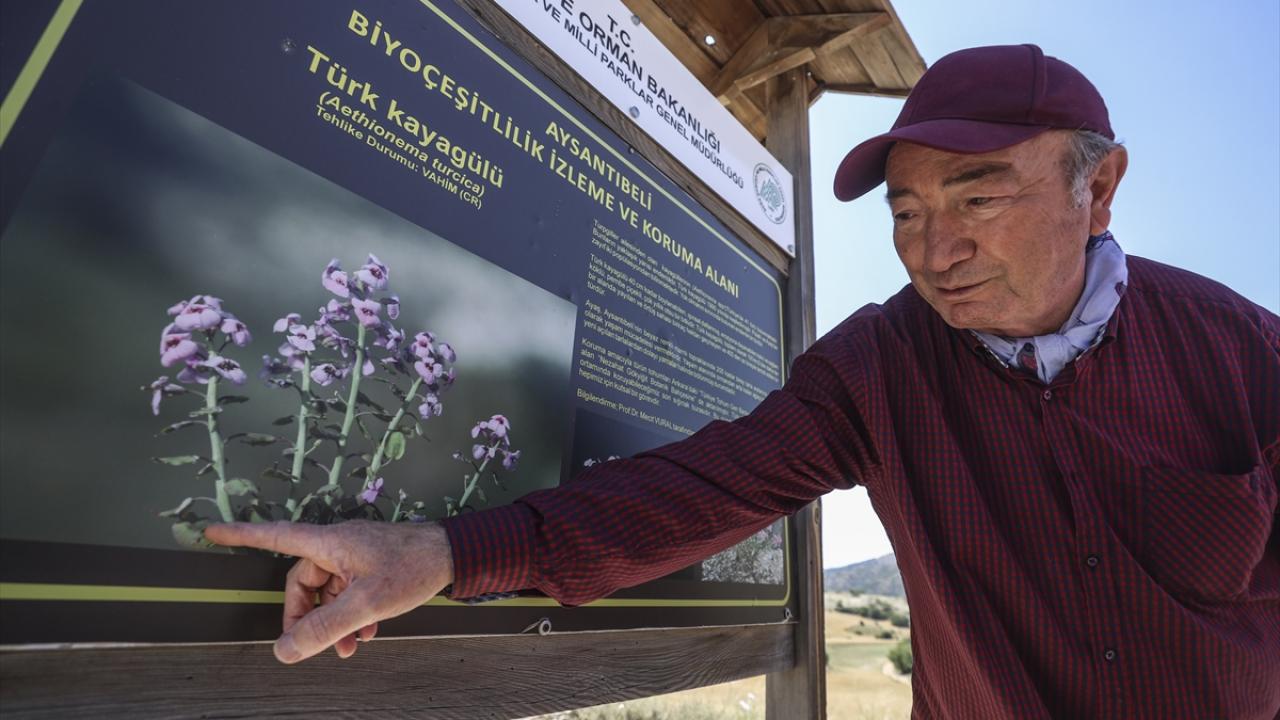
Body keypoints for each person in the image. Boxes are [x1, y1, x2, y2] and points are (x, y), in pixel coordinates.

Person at [206, 44, 1280, 718]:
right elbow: (698, 486)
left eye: (976, 197)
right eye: (904, 211)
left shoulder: (1245, 356)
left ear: (1097, 188)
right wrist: (441, 552)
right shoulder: (882, 364)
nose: (930, 248)